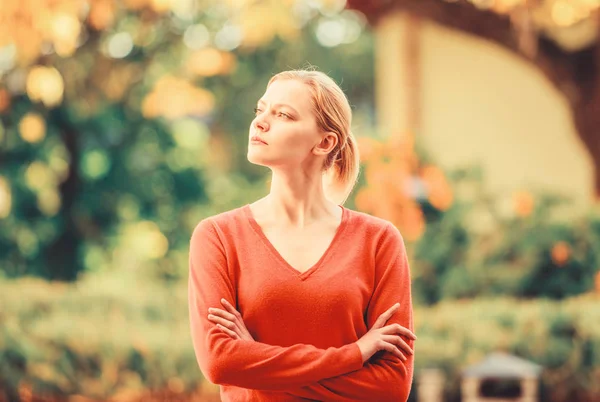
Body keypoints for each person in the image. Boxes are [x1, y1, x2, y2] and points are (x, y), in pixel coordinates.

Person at [188, 69, 416, 401]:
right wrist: (354, 354)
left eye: (283, 115)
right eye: (260, 110)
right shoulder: (218, 236)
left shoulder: (378, 240)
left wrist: (257, 364)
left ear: (325, 142)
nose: (261, 122)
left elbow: (391, 386)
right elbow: (220, 362)